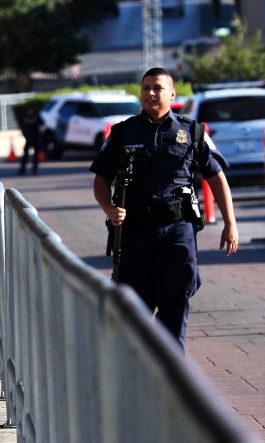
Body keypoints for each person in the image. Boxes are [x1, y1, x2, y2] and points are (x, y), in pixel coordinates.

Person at [90, 67, 238, 350]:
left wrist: (230, 223)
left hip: (177, 229)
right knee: (134, 307)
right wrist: (108, 207)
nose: (150, 93)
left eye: (157, 88)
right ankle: (140, 372)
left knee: (175, 298)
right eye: (145, 88)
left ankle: (172, 376)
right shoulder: (122, 133)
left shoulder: (192, 131)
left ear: (172, 93)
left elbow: (216, 176)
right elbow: (101, 179)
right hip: (134, 231)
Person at [18, 105, 44, 176]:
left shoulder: (36, 115)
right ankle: (22, 170)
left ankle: (34, 170)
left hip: (35, 138)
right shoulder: (24, 116)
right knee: (25, 155)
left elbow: (42, 122)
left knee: (36, 155)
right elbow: (21, 124)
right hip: (28, 138)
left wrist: (34, 121)